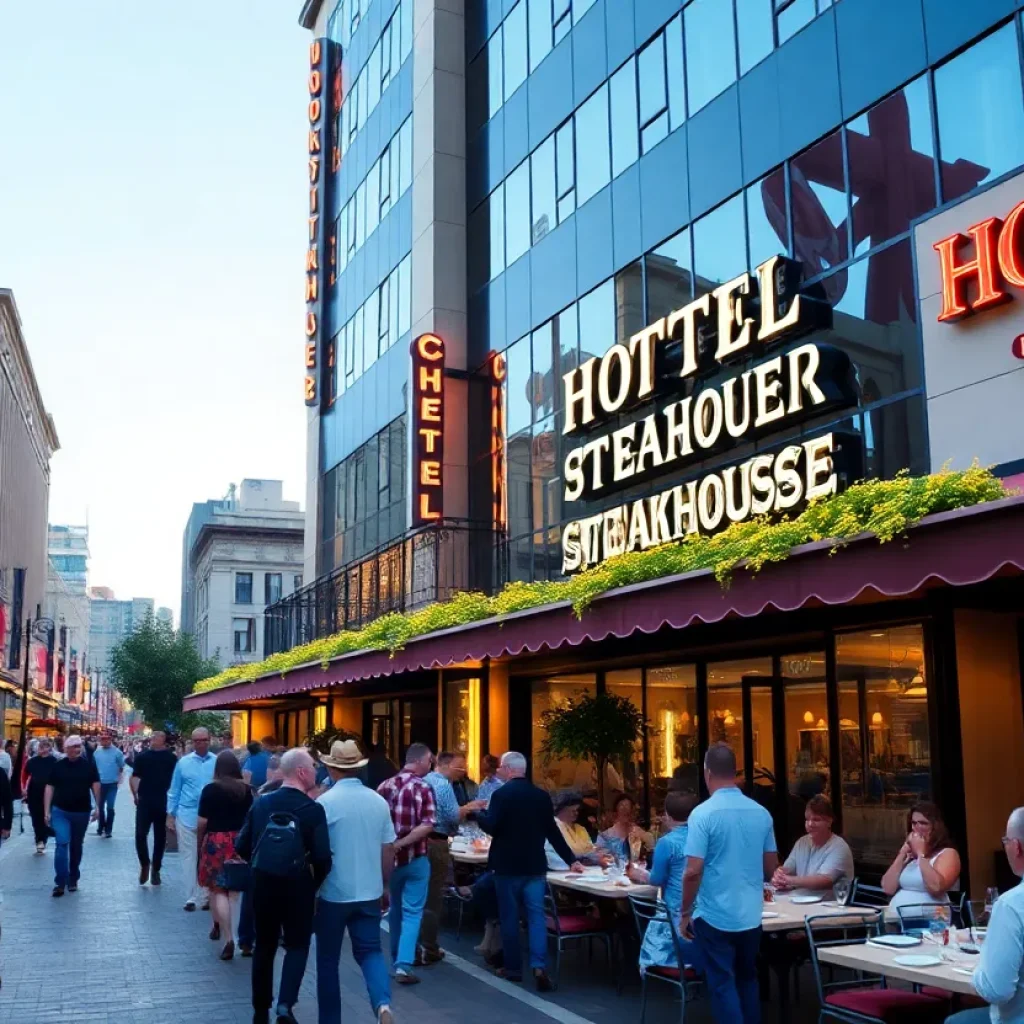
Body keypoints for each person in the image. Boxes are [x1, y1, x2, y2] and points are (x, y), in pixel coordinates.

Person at [681, 743, 778, 1024]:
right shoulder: (761, 813)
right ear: (735, 772)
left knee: (723, 984)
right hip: (750, 914)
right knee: (748, 978)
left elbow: (692, 871)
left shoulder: (702, 814)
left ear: (707, 772)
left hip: (714, 914)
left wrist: (685, 911)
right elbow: (771, 867)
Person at [235, 747, 331, 1024]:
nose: (316, 771)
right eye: (313, 766)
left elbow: (242, 845)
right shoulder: (313, 810)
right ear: (302, 772)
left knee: (264, 945)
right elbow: (323, 857)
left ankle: (260, 1009)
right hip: (298, 887)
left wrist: (260, 865)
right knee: (298, 945)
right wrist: (311, 884)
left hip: (263, 885)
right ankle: (285, 1006)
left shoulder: (262, 803)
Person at [477, 751, 583, 990]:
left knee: (510, 917)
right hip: (534, 865)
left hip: (507, 866)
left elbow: (492, 826)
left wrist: (479, 815)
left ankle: (514, 968)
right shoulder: (541, 796)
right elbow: (552, 832)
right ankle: (539, 966)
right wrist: (570, 859)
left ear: (508, 768)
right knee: (536, 917)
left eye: (501, 768)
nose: (499, 772)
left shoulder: (501, 795)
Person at [316, 740, 396, 1024]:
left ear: (331, 768)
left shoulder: (324, 803)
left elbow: (316, 851)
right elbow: (388, 848)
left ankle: (330, 1020)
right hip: (368, 890)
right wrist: (385, 885)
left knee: (327, 960)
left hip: (333, 892)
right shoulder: (378, 801)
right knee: (371, 951)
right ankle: (383, 1005)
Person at [948, 806, 1024, 1023]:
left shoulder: (1011, 905)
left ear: (1016, 847)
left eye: (1006, 841)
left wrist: (981, 967)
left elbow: (997, 990)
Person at [377, 742, 437, 985]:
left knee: (395, 910)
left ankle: (395, 959)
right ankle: (404, 964)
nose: (430, 764)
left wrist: (390, 847)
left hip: (389, 861)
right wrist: (402, 843)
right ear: (421, 761)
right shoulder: (423, 787)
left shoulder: (384, 786)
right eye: (430, 760)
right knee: (413, 912)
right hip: (415, 858)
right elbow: (428, 823)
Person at [421, 751, 485, 963]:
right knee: (434, 896)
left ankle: (417, 944)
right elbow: (451, 815)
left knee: (420, 895)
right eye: (459, 767)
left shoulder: (426, 780)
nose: (463, 772)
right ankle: (429, 946)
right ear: (445, 765)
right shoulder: (443, 785)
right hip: (437, 840)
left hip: (423, 841)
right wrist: (470, 807)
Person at [628, 791, 700, 972]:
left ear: (667, 816)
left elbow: (656, 879)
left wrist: (638, 874)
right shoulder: (705, 838)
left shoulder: (667, 842)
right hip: (706, 913)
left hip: (677, 916)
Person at [196, 750, 253, 961]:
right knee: (236, 891)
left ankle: (228, 937)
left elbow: (202, 821)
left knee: (218, 890)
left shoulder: (210, 790)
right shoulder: (246, 791)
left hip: (215, 842)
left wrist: (200, 840)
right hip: (239, 841)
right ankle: (241, 938)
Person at [43, 735, 101, 897]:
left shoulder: (88, 766)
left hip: (81, 812)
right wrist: (46, 810)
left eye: (79, 746)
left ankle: (73, 877)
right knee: (62, 843)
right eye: (73, 746)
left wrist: (98, 807)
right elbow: (49, 787)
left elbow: (95, 785)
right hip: (60, 811)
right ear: (66, 748)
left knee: (76, 846)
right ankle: (60, 881)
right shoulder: (58, 766)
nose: (77, 749)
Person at [166, 727, 216, 911]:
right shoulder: (183, 763)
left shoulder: (216, 763)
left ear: (209, 740)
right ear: (192, 742)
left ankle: (205, 894)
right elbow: (174, 790)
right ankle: (191, 896)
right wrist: (170, 814)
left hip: (211, 817)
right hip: (187, 814)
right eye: (196, 740)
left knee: (207, 855)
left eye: (203, 740)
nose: (200, 743)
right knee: (188, 856)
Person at [881, 801, 961, 910]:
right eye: (914, 823)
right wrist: (902, 854)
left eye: (923, 823)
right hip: (896, 919)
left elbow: (936, 888)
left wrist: (920, 854)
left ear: (935, 826)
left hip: (930, 920)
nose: (917, 828)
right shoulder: (910, 856)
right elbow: (887, 888)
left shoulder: (948, 853)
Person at [771, 795, 854, 898]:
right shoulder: (802, 842)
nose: (810, 824)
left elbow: (823, 880)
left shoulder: (839, 847)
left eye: (816, 819)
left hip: (829, 908)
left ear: (829, 821)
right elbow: (788, 868)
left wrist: (789, 880)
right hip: (798, 903)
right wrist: (779, 874)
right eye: (807, 819)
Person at [130, 729, 177, 885]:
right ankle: (145, 864)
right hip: (147, 799)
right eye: (152, 737)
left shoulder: (171, 758)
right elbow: (135, 776)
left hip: (162, 800)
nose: (153, 740)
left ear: (163, 740)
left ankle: (155, 868)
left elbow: (176, 782)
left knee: (159, 837)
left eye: (156, 737)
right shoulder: (143, 757)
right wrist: (135, 795)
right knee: (141, 834)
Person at [544, 790, 612, 870]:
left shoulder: (580, 829)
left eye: (577, 810)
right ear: (561, 810)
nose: (576, 813)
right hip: (561, 873)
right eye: (573, 810)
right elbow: (552, 855)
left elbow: (590, 849)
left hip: (586, 871)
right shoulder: (552, 826)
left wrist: (598, 855)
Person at [597, 793, 655, 863]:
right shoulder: (605, 836)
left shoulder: (638, 832)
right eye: (622, 806)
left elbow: (651, 847)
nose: (625, 809)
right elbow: (599, 857)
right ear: (616, 812)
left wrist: (645, 838)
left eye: (628, 807)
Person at [25, 738, 58, 853]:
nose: (41, 749)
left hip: (50, 794)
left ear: (49, 748)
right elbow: (25, 775)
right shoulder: (32, 762)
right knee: (36, 817)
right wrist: (23, 789)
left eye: (45, 746)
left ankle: (43, 838)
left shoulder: (54, 761)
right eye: (40, 746)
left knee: (46, 816)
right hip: (34, 793)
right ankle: (39, 840)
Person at [91, 731, 124, 838]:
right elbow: (93, 767)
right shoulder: (96, 752)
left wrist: (118, 778)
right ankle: (101, 827)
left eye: (106, 739)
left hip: (112, 784)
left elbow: (121, 766)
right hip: (100, 783)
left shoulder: (117, 752)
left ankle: (108, 829)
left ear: (110, 739)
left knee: (110, 807)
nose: (104, 741)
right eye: (102, 739)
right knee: (100, 807)